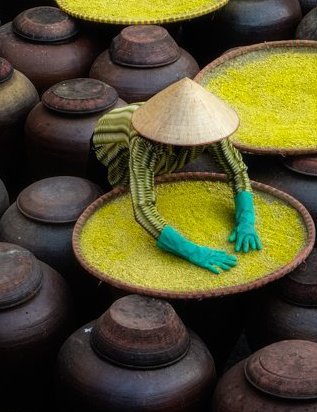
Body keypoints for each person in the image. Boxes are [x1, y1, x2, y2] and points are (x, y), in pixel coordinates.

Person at [92, 78, 261, 274]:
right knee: (116, 200)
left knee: (152, 176)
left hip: (156, 150)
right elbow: (142, 207)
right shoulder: (144, 143)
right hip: (111, 145)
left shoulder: (209, 129)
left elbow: (237, 171)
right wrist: (192, 251)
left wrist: (246, 219)